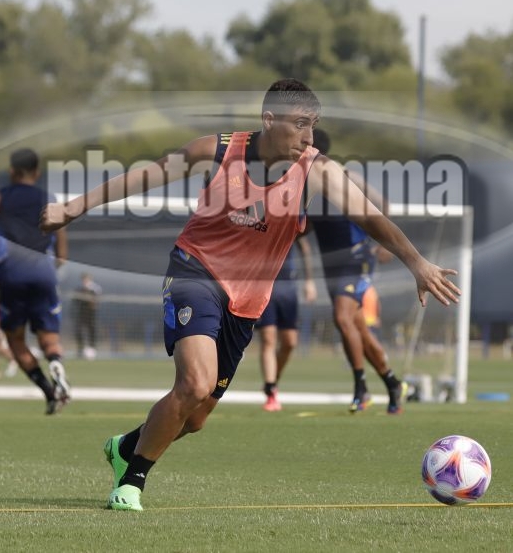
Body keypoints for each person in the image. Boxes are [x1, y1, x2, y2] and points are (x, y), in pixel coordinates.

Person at [40, 79, 460, 511]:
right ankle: (132, 482)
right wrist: (71, 208)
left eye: (314, 125)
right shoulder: (218, 151)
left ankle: (126, 447)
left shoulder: (316, 170)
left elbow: (370, 217)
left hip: (247, 299)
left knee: (196, 417)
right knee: (195, 383)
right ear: (269, 120)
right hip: (195, 271)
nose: (309, 137)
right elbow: (142, 177)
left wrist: (417, 263)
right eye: (300, 124)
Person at [310, 128, 407, 414]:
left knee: (342, 318)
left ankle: (360, 388)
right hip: (331, 264)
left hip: (357, 257)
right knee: (357, 329)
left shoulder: (345, 176)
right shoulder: (301, 184)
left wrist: (386, 244)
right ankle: (392, 382)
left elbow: (384, 205)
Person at [0, 148, 71, 414]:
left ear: (11, 171)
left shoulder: (0, 196)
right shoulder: (49, 198)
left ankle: (48, 392)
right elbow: (62, 248)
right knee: (49, 337)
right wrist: (55, 264)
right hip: (43, 271)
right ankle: (55, 362)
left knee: (16, 340)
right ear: (37, 172)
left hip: (11, 273)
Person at [257, 235, 317, 411]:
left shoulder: (289, 220)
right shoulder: (255, 221)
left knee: (290, 342)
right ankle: (271, 391)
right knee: (268, 339)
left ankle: (272, 380)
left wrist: (309, 281)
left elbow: (304, 247)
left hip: (287, 289)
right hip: (262, 286)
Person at [72, 272, 102, 359]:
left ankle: (92, 348)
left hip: (91, 315)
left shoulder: (95, 289)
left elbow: (96, 302)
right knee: (79, 331)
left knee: (92, 331)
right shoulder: (79, 289)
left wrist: (91, 301)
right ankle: (80, 349)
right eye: (84, 279)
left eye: (87, 279)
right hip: (81, 314)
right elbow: (75, 301)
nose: (85, 281)